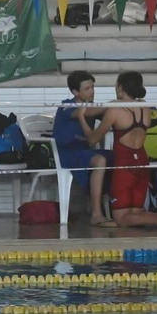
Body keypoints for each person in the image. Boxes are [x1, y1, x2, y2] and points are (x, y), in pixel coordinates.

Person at [76, 71, 157, 230]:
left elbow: (93, 139)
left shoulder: (115, 110)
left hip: (125, 163)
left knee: (121, 218)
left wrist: (81, 116)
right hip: (142, 161)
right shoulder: (145, 107)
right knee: (135, 213)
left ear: (120, 87)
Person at [53, 70, 113, 226]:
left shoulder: (92, 106)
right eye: (87, 88)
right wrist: (116, 103)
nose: (92, 91)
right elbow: (89, 112)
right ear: (75, 92)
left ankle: (119, 209)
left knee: (119, 156)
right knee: (100, 160)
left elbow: (105, 113)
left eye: (93, 87)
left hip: (86, 152)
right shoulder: (66, 105)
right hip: (67, 153)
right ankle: (97, 215)